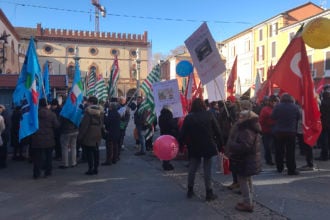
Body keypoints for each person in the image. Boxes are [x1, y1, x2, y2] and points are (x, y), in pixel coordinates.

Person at [180, 98, 223, 201]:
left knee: (192, 168)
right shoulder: (209, 115)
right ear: (203, 105)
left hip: (194, 145)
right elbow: (218, 131)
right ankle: (209, 192)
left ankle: (190, 189)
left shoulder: (189, 117)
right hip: (208, 145)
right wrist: (221, 145)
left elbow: (183, 133)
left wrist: (181, 145)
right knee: (207, 169)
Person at [226, 110, 262, 212]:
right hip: (248, 159)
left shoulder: (246, 130)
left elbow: (245, 147)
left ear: (247, 119)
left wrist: (232, 145)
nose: (239, 119)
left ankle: (247, 203)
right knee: (247, 179)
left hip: (245, 160)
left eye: (241, 117)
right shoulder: (249, 127)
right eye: (239, 116)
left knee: (243, 180)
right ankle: (249, 200)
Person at [30, 98, 60, 179]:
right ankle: (48, 172)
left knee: (37, 157)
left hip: (37, 138)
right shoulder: (52, 114)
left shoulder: (34, 114)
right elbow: (56, 126)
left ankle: (36, 173)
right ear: (47, 105)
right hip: (49, 138)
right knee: (48, 156)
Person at [271, 93, 300, 175]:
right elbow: (298, 116)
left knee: (279, 150)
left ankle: (279, 167)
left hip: (279, 132)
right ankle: (291, 169)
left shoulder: (278, 106)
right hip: (291, 132)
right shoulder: (295, 107)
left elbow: (272, 116)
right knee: (290, 151)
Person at [78, 96, 104, 175]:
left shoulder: (88, 112)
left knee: (89, 152)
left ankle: (90, 168)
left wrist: (80, 136)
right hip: (97, 133)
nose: (87, 103)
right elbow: (102, 123)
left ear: (91, 103)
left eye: (88, 102)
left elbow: (85, 125)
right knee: (96, 151)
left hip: (89, 133)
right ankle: (96, 168)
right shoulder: (101, 111)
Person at [158, 106, 179, 171]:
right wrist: (176, 120)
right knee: (169, 151)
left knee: (165, 150)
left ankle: (165, 163)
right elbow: (173, 125)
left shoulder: (160, 116)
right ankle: (166, 165)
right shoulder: (169, 116)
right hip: (169, 136)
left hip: (163, 135)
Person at [259, 95, 277, 165]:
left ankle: (278, 159)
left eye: (275, 101)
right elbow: (261, 120)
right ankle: (268, 160)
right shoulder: (265, 109)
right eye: (272, 101)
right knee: (267, 147)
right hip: (267, 130)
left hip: (275, 130)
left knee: (276, 146)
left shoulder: (277, 108)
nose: (274, 103)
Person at [316, 86, 330, 161]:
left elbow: (319, 113)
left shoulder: (322, 104)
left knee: (324, 141)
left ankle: (324, 155)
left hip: (324, 124)